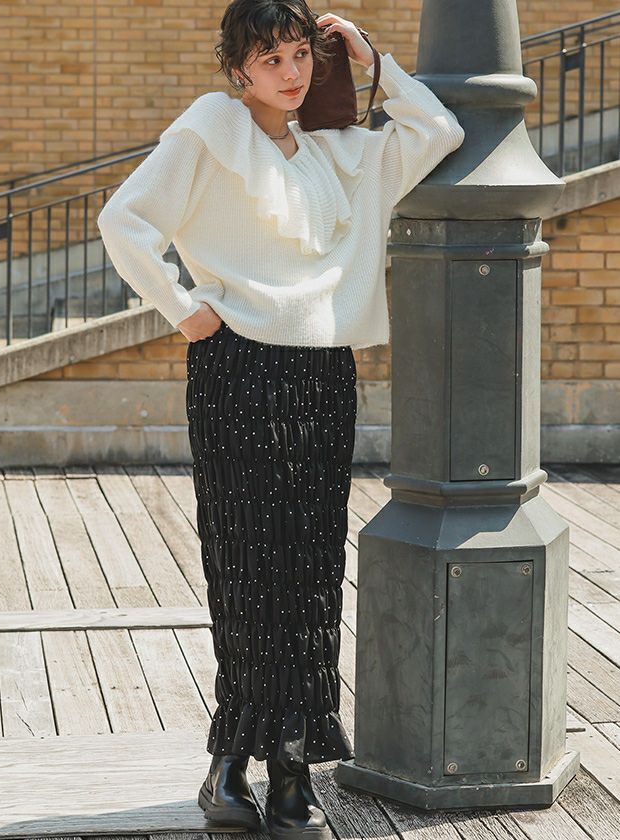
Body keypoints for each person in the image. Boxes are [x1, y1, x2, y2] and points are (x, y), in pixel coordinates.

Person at [97, 2, 465, 837]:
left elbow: (436, 129)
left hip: (321, 378)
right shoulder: (210, 131)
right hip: (236, 368)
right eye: (271, 59)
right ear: (239, 70)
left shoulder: (344, 152)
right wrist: (182, 309)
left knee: (307, 571)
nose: (292, 72)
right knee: (243, 563)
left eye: (301, 54)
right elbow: (124, 221)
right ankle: (230, 764)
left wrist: (370, 57)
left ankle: (292, 763)